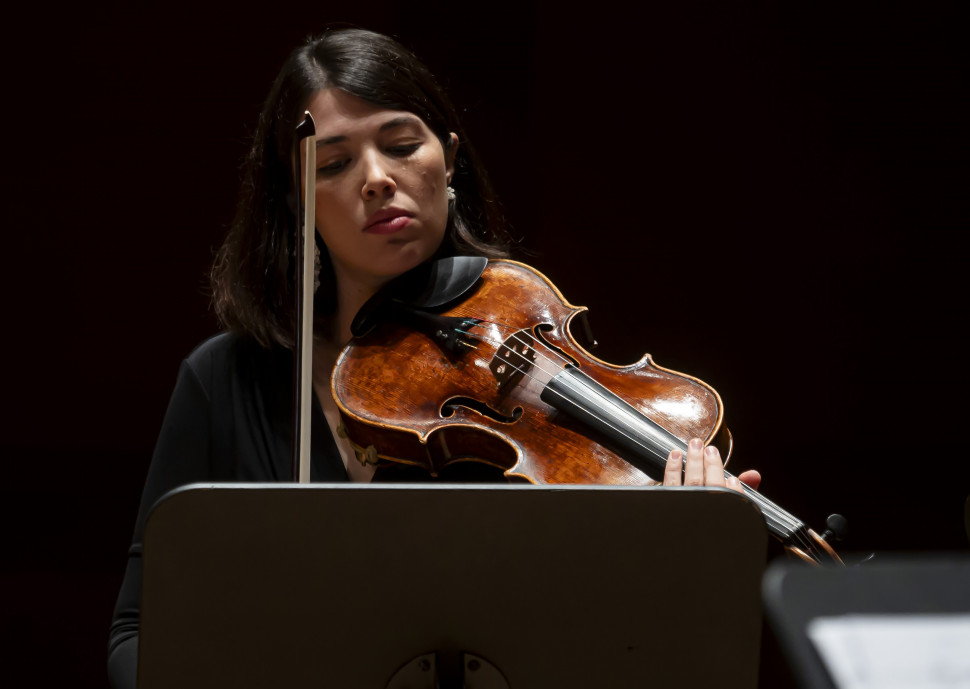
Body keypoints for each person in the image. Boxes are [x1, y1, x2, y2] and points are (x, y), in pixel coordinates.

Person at [107, 28, 761, 688]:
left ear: (448, 161)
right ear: (295, 200)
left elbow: (619, 649)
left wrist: (690, 554)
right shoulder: (225, 380)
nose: (376, 179)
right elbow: (136, 636)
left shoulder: (528, 374)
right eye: (332, 165)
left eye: (400, 145)